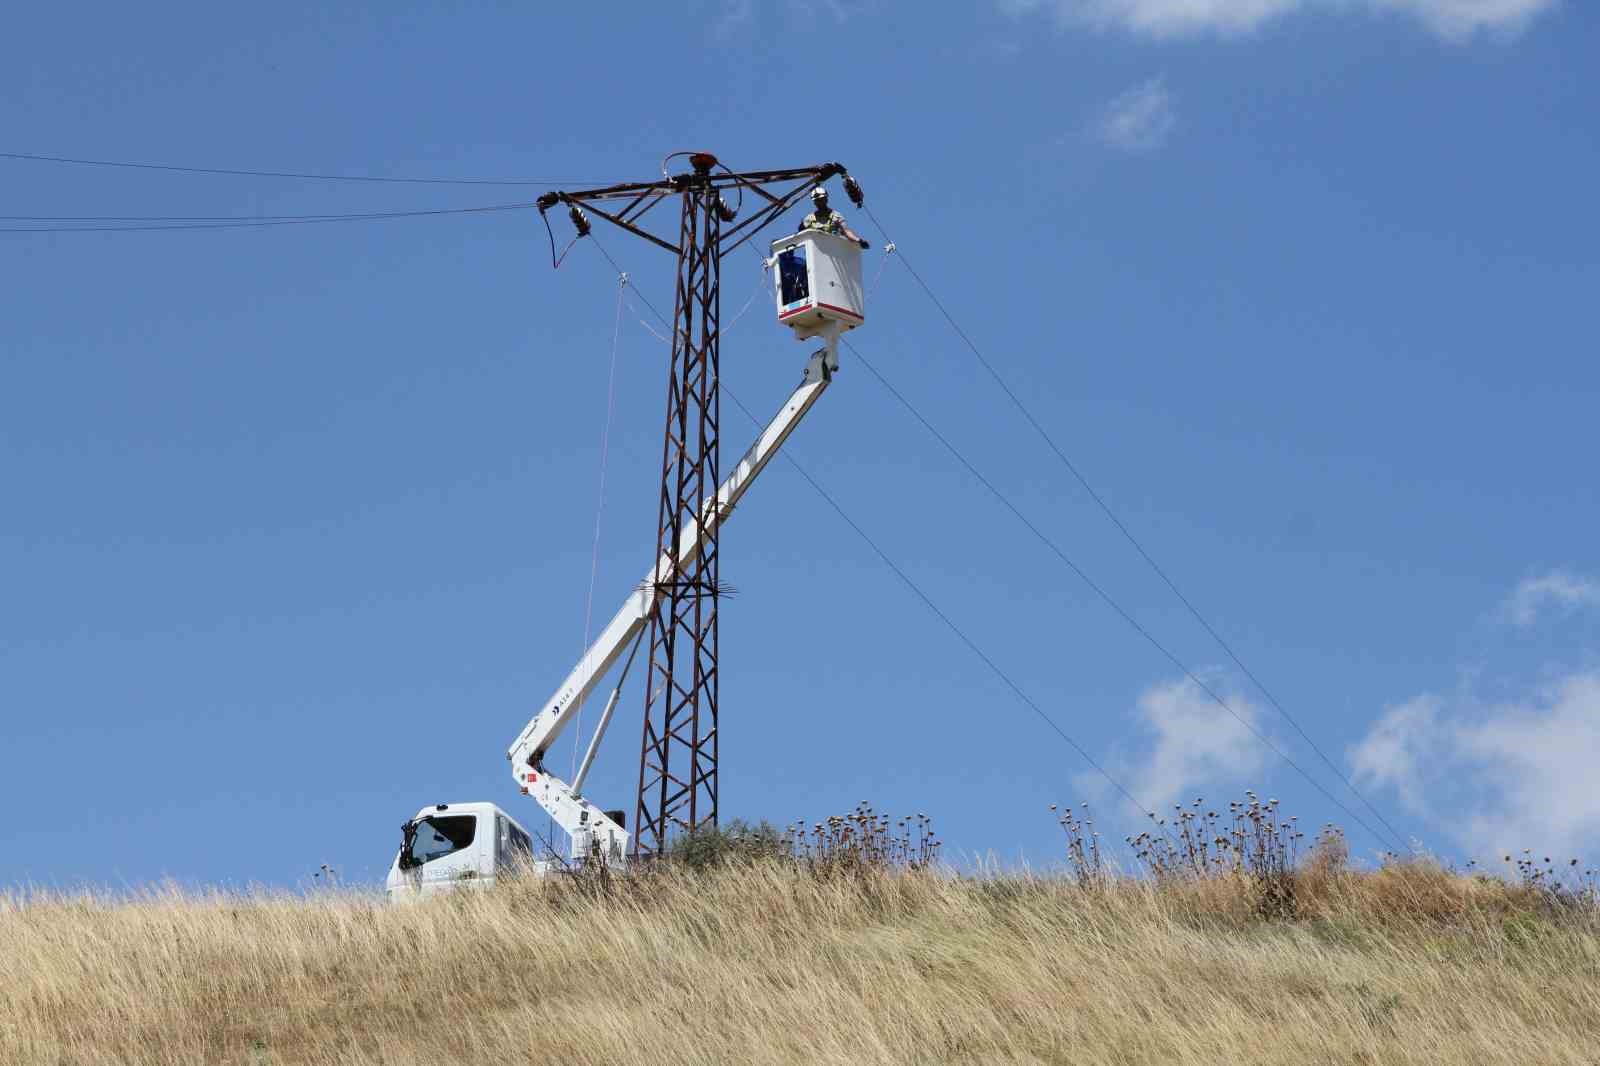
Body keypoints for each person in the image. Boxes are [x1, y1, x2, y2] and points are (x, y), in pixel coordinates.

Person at [799, 187, 868, 248]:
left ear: (826, 199)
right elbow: (802, 234)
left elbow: (846, 231)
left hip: (833, 249)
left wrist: (858, 240)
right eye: (817, 201)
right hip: (816, 250)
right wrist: (801, 227)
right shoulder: (809, 219)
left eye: (822, 199)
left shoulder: (836, 216)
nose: (820, 202)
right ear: (814, 202)